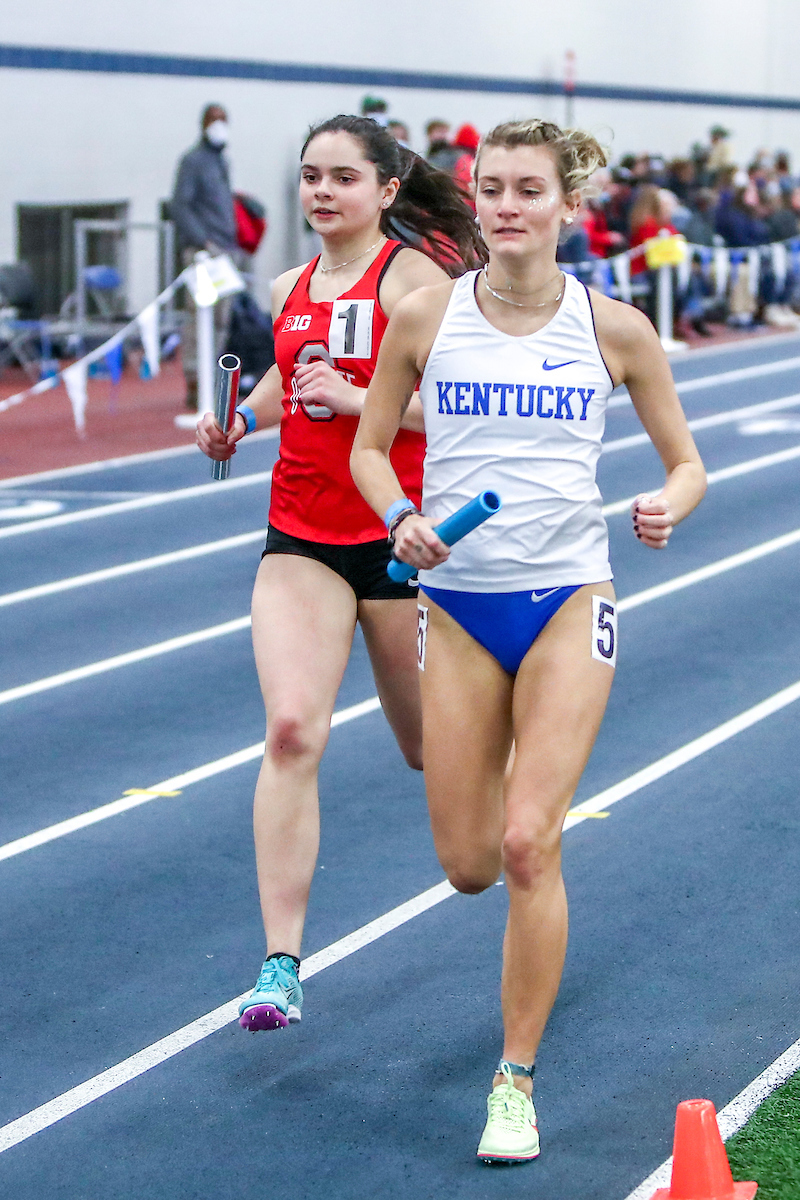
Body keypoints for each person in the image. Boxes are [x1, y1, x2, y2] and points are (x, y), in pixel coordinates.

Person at [351, 117, 706, 1164]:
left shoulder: (615, 328)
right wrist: (398, 519)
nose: (507, 206)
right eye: (490, 188)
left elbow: (685, 463)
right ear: (472, 198)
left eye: (526, 190)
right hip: (458, 607)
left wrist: (663, 505)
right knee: (464, 864)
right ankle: (500, 768)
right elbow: (372, 450)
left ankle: (513, 1083)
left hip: (564, 599)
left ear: (565, 205)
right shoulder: (424, 316)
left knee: (523, 843)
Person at [197, 114, 483, 1035]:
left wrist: (362, 401)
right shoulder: (288, 285)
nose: (322, 193)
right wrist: (240, 420)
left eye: (343, 179)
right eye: (311, 177)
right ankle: (281, 963)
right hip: (302, 540)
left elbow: (465, 415)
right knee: (288, 733)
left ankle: (521, 773)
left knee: (426, 750)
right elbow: (289, 379)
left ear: (387, 191)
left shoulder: (419, 284)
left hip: (398, 540)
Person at [171, 103, 240, 411]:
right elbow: (180, 206)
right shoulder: (192, 161)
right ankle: (195, 380)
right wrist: (203, 241)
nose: (219, 127)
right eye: (215, 122)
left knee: (221, 319)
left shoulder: (222, 162)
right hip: (203, 252)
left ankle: (215, 379)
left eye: (223, 121)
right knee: (198, 318)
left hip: (225, 249)